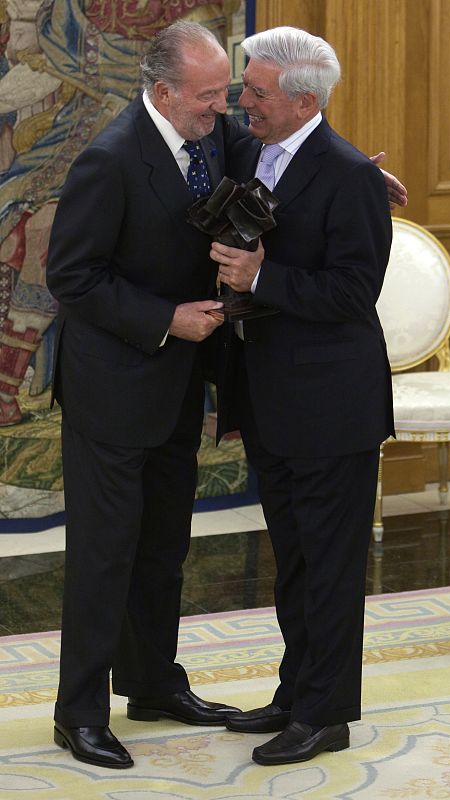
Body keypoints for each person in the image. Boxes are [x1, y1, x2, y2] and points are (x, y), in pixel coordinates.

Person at [45, 20, 250, 770]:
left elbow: (273, 151)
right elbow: (72, 277)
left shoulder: (210, 133)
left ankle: (153, 683)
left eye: (224, 93)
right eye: (207, 96)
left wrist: (360, 173)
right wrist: (164, 319)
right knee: (104, 556)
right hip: (113, 388)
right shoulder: (109, 158)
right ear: (162, 92)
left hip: (174, 387)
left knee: (162, 547)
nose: (220, 108)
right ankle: (79, 715)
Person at [210, 26, 395, 766]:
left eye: (254, 92)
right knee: (293, 561)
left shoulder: (348, 175)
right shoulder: (254, 147)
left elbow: (352, 293)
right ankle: (295, 692)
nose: (239, 102)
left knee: (329, 566)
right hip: (272, 401)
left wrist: (259, 280)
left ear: (302, 100)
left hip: (329, 406)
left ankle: (325, 715)